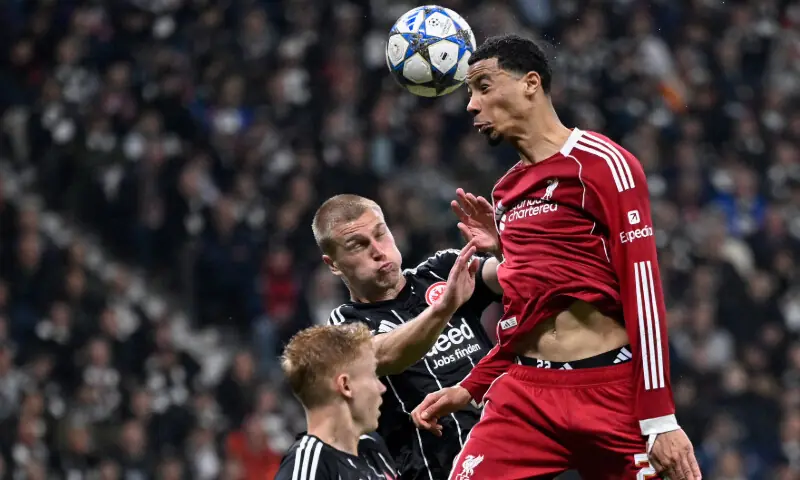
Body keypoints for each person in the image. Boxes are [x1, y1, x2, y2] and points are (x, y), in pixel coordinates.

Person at [410, 35, 702, 480]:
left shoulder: (603, 164)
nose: (471, 105)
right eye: (470, 92)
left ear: (530, 83)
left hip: (610, 392)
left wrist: (660, 418)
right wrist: (471, 389)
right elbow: (528, 312)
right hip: (527, 394)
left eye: (483, 86)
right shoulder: (506, 193)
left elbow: (643, 288)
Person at [312, 194, 503, 479]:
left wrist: (504, 246)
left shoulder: (443, 270)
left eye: (381, 234)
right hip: (437, 472)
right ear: (334, 264)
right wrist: (445, 307)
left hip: (510, 452)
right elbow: (385, 355)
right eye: (358, 245)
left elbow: (520, 277)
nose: (378, 250)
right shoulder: (343, 325)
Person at [275, 323, 398, 479]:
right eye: (373, 375)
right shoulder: (309, 463)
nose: (382, 388)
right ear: (345, 385)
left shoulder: (373, 449)